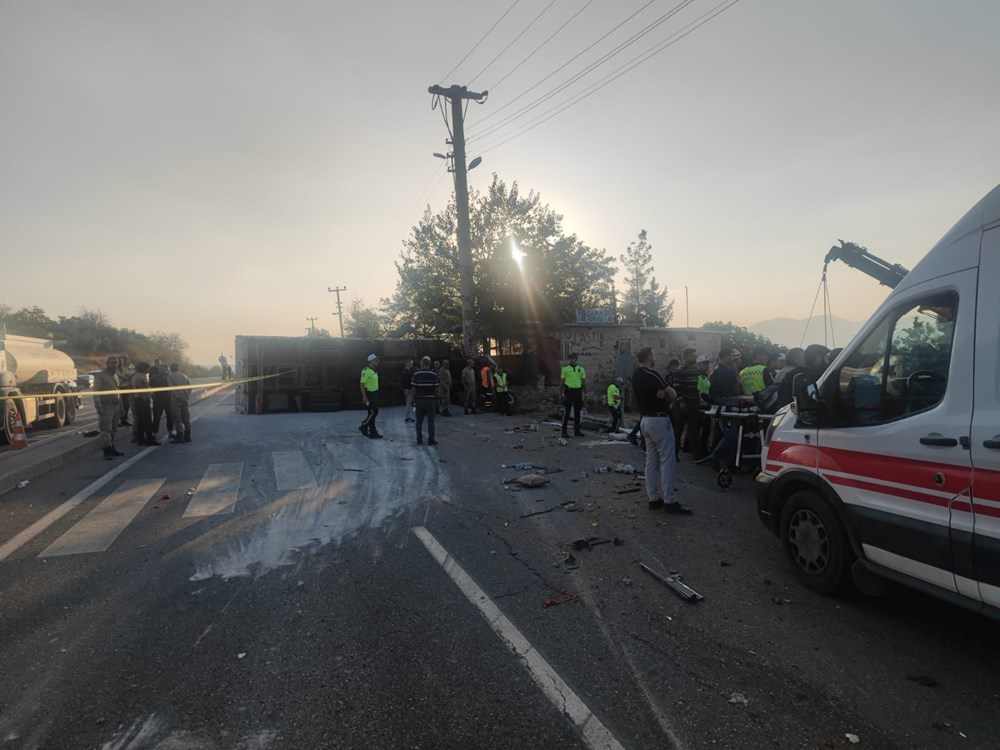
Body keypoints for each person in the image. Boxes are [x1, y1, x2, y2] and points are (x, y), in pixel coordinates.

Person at [632, 347, 690, 515]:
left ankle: (653, 498)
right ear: (650, 357)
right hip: (659, 420)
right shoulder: (652, 374)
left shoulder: (636, 376)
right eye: (654, 355)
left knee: (651, 461)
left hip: (645, 421)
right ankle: (670, 500)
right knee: (667, 460)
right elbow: (672, 393)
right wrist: (665, 394)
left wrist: (661, 393)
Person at [671, 348, 703, 459]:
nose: (695, 357)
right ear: (686, 357)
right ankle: (674, 453)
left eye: (695, 355)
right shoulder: (679, 370)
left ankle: (696, 454)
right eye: (692, 355)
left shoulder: (696, 370)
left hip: (694, 402)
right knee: (678, 429)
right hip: (682, 402)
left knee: (694, 429)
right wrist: (681, 402)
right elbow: (677, 387)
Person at [94, 356, 124, 460]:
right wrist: (98, 406)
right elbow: (96, 392)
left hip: (115, 405)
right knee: (105, 429)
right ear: (107, 363)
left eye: (116, 362)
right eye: (112, 363)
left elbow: (118, 391)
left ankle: (112, 447)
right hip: (106, 406)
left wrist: (121, 406)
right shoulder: (100, 376)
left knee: (114, 429)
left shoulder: (115, 375)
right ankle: (106, 451)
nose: (114, 365)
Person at [411, 356, 439, 445]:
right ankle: (431, 440)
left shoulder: (416, 375)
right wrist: (437, 399)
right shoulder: (434, 375)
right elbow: (437, 389)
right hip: (430, 401)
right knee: (431, 421)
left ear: (421, 364)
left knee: (419, 421)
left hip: (419, 400)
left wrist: (413, 399)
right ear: (429, 364)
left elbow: (413, 389)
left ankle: (419, 439)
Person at [130, 362, 159, 446]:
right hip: (142, 400)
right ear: (143, 369)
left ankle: (141, 439)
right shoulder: (141, 377)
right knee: (147, 420)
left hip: (137, 400)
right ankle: (149, 439)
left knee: (140, 421)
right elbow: (140, 388)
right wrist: (147, 397)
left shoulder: (135, 376)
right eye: (147, 368)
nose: (148, 370)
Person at [561, 353, 586, 438]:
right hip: (569, 391)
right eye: (570, 359)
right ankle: (564, 431)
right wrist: (561, 393)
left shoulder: (581, 369)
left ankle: (577, 430)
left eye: (573, 358)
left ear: (576, 359)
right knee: (567, 412)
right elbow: (562, 382)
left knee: (577, 412)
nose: (572, 360)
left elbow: (583, 381)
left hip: (578, 391)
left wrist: (586, 393)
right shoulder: (565, 369)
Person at [359, 354, 382, 438]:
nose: (378, 361)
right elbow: (362, 384)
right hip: (369, 394)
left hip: (375, 394)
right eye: (376, 360)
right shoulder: (366, 370)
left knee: (371, 412)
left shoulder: (373, 370)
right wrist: (364, 397)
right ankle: (363, 426)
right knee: (374, 412)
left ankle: (373, 433)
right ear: (371, 361)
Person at [168, 363, 192, 442]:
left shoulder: (170, 376)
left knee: (177, 418)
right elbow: (189, 388)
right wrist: (186, 396)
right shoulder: (184, 376)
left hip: (176, 400)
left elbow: (171, 388)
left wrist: (178, 396)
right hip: (184, 399)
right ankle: (188, 435)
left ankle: (180, 436)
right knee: (186, 417)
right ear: (178, 368)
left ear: (171, 369)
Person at [150, 363, 173, 439]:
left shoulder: (170, 377)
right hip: (158, 400)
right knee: (156, 418)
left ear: (167, 369)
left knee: (170, 417)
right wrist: (153, 397)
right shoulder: (154, 378)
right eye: (160, 368)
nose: (161, 370)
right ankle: (154, 433)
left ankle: (170, 432)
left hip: (168, 400)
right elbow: (150, 388)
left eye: (163, 368)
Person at [116, 355, 133, 427]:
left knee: (126, 405)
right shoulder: (115, 370)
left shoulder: (123, 368)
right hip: (118, 389)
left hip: (125, 388)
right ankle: (117, 421)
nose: (121, 363)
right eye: (119, 361)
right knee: (119, 406)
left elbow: (129, 374)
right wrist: (127, 377)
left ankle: (124, 420)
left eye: (122, 361)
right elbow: (123, 377)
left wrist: (128, 377)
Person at [399, 359, 415, 423]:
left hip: (406, 389)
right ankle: (407, 417)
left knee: (408, 404)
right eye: (411, 363)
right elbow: (408, 381)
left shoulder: (404, 372)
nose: (412, 365)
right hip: (408, 389)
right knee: (408, 404)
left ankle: (408, 417)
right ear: (408, 364)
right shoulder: (407, 372)